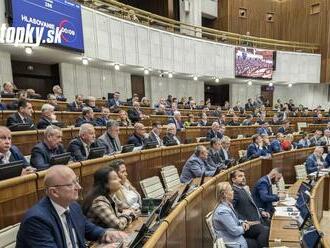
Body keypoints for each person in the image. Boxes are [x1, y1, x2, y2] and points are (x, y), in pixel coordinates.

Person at [16, 165, 127, 247]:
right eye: (71, 184)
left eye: (77, 181)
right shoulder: (36, 220)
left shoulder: (73, 207)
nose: (78, 187)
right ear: (54, 192)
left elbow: (87, 227)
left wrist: (105, 233)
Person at [212, 182, 258, 248]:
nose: (233, 192)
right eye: (231, 190)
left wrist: (243, 222)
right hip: (233, 243)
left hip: (237, 239)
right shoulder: (222, 212)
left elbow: (234, 220)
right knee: (259, 243)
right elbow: (235, 231)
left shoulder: (228, 205)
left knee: (260, 234)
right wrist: (244, 227)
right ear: (225, 194)